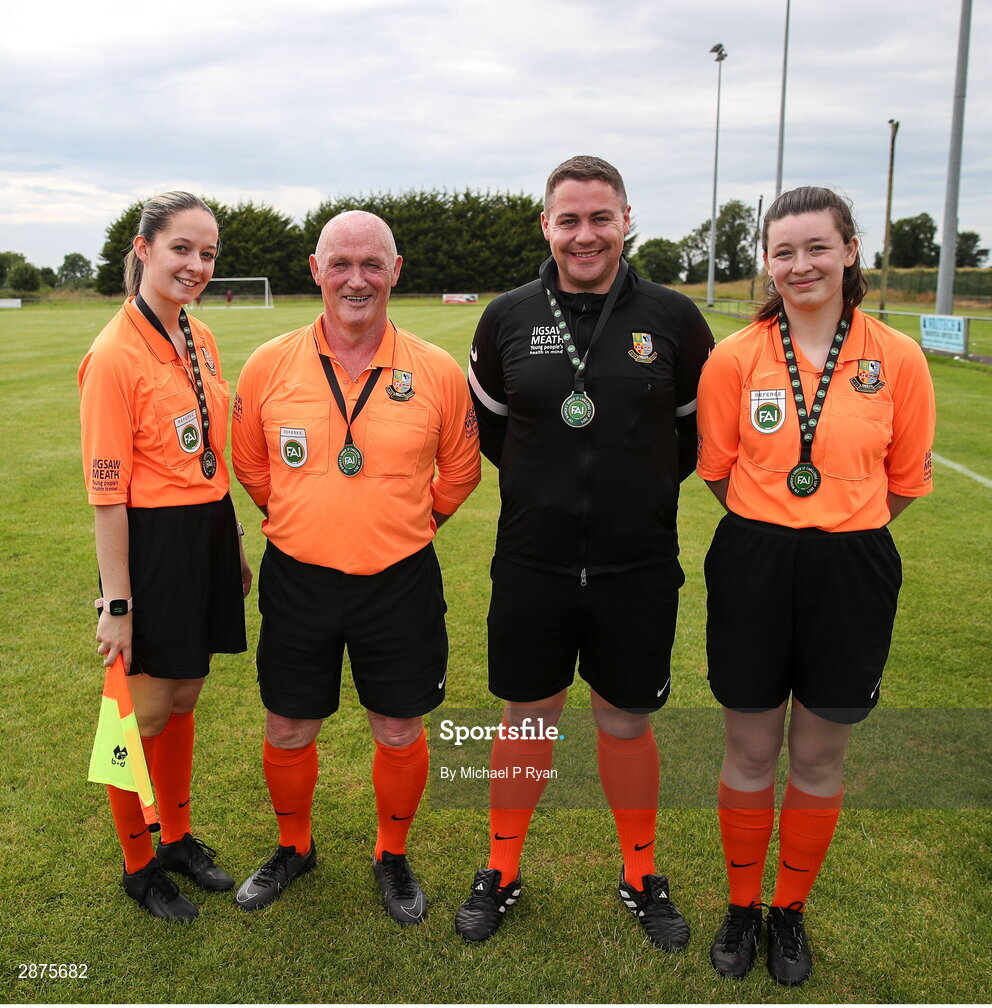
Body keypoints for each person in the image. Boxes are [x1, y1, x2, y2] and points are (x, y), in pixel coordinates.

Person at [458, 156, 714, 948]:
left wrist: (624, 491)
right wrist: (556, 487)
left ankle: (640, 874)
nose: (585, 234)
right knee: (526, 720)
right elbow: (498, 431)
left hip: (635, 565)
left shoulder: (673, 318)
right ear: (547, 225)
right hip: (532, 562)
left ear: (627, 218)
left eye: (600, 217)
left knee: (626, 722)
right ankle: (501, 868)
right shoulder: (506, 316)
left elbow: (690, 438)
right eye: (568, 219)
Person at [696, 186, 936, 985]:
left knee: (820, 755)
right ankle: (740, 905)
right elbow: (720, 473)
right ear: (767, 261)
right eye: (784, 251)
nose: (800, 265)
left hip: (853, 564)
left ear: (850, 250)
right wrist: (777, 529)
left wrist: (842, 524)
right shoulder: (735, 357)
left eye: (816, 248)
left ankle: (788, 914)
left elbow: (903, 481)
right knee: (750, 747)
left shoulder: (897, 358)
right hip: (754, 560)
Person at [230, 210, 481, 924]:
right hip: (298, 578)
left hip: (399, 580)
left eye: (372, 264)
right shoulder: (269, 364)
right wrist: (304, 517)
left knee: (399, 729)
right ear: (316, 270)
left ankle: (392, 856)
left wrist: (410, 523)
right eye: (340, 263)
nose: (356, 279)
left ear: (396, 271)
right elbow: (250, 462)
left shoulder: (434, 369)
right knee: (287, 726)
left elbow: (460, 471)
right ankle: (293, 847)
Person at [78, 191, 252, 922]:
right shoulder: (113, 355)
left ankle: (175, 835)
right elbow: (107, 496)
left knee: (184, 696)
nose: (197, 265)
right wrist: (118, 604)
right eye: (182, 248)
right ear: (143, 247)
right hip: (149, 546)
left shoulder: (199, 335)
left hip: (206, 531)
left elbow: (213, 450)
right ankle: (136, 863)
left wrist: (232, 540)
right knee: (137, 713)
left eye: (208, 253)